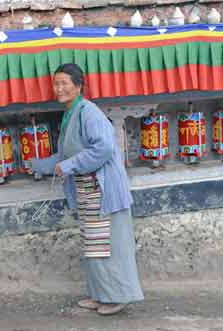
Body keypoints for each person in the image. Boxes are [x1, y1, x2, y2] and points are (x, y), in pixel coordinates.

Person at [32, 63, 144, 316]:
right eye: (56, 83)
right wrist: (36, 165)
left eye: (64, 83)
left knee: (109, 247)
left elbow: (103, 148)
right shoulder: (72, 113)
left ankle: (118, 297)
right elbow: (64, 155)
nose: (59, 88)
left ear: (78, 86)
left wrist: (69, 165)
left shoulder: (89, 112)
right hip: (87, 192)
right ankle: (100, 294)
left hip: (103, 191)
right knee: (93, 246)